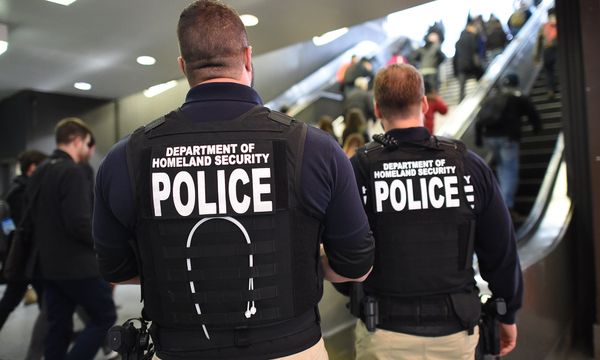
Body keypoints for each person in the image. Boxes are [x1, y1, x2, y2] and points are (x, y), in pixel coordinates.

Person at [92, 1, 375, 359]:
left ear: (183, 66)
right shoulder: (316, 148)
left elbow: (115, 269)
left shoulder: (124, 158)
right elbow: (357, 266)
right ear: (247, 57)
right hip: (291, 348)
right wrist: (301, 264)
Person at [348, 64, 523, 359]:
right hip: (456, 331)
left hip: (385, 332)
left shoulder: (359, 169)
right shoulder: (468, 165)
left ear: (377, 109)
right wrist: (508, 311)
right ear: (425, 103)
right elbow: (501, 249)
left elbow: (345, 251)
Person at [28, 118, 116, 360]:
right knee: (104, 317)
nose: (90, 150)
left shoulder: (41, 170)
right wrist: (106, 244)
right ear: (77, 140)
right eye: (87, 143)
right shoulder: (72, 172)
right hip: (79, 267)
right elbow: (80, 224)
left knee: (58, 326)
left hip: (50, 266)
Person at [475, 74, 541, 222]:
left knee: (501, 168)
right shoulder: (516, 97)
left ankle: (499, 206)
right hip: (508, 139)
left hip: (490, 138)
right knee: (509, 170)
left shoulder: (492, 97)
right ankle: (507, 208)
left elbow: (479, 119)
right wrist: (537, 128)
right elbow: (532, 112)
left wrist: (478, 139)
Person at [0, 150, 47, 331]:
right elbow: (19, 230)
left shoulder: (20, 190)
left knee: (48, 307)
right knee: (9, 302)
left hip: (29, 261)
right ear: (33, 168)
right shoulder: (20, 193)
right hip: (25, 261)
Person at [454, 20, 484, 102]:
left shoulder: (458, 41)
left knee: (461, 89)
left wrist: (455, 70)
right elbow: (476, 50)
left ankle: (461, 103)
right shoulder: (472, 37)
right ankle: (483, 98)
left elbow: (455, 57)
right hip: (471, 64)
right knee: (481, 82)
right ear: (469, 27)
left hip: (461, 67)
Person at [535, 7, 558, 99]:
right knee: (553, 70)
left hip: (547, 51)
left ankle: (551, 90)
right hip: (555, 51)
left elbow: (538, 43)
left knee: (549, 72)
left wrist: (536, 56)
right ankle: (555, 88)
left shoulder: (543, 26)